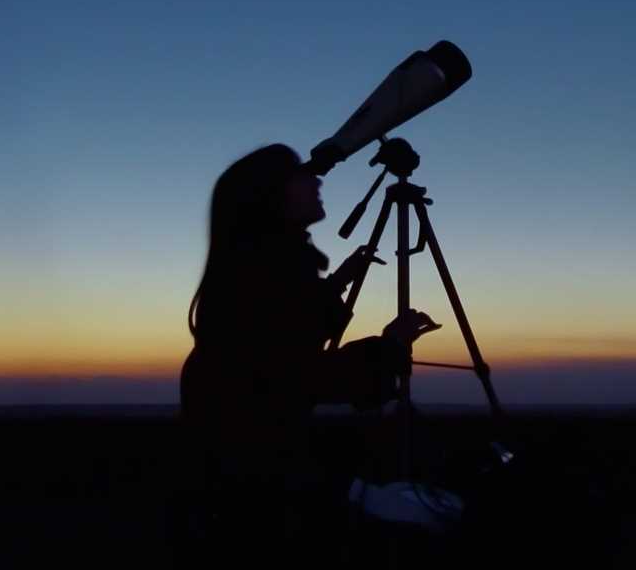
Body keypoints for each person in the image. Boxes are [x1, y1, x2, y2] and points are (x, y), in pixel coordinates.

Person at [175, 143, 440, 562]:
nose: (316, 181)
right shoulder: (260, 275)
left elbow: (289, 329)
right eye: (300, 175)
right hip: (253, 488)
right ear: (269, 197)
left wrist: (338, 282)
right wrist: (390, 346)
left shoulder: (257, 268)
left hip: (243, 473)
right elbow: (299, 375)